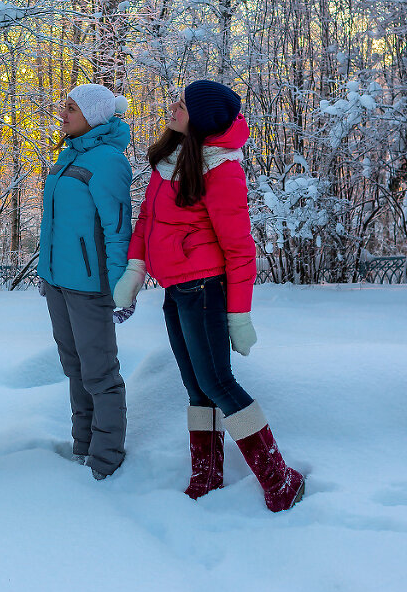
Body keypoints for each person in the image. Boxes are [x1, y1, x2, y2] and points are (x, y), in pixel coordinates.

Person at [113, 79, 305, 511]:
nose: (173, 106)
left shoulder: (222, 169)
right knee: (195, 384)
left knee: (218, 382)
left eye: (182, 103)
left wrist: (239, 315)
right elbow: (147, 221)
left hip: (204, 290)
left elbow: (239, 250)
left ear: (200, 118)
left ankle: (279, 479)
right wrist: (135, 270)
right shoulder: (171, 160)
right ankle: (207, 474)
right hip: (174, 290)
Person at [38, 83, 133, 480]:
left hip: (91, 287)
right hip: (59, 283)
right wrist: (47, 273)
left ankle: (105, 458)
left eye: (72, 108)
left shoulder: (108, 160)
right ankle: (82, 447)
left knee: (99, 372)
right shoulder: (68, 157)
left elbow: (117, 229)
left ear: (93, 116)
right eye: (65, 106)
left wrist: (121, 289)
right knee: (74, 367)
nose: (63, 113)